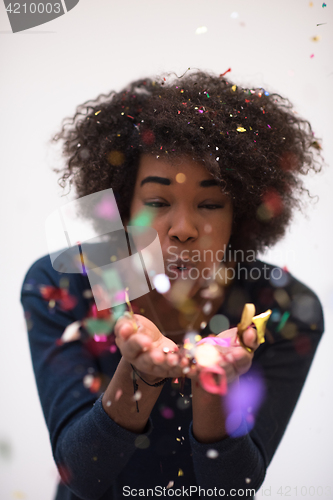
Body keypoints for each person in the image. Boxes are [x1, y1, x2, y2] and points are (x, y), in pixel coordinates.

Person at [21, 71, 324, 500]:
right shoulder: (68, 282)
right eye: (158, 202)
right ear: (123, 205)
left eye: (210, 203)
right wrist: (140, 374)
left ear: (239, 213)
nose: (182, 228)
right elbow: (82, 476)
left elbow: (235, 487)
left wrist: (212, 389)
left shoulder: (280, 307)